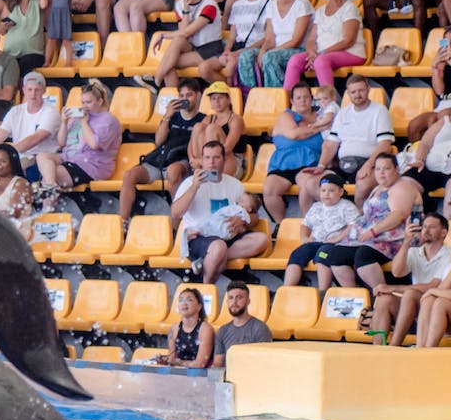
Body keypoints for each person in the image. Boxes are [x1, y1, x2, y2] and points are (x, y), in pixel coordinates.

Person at [321, 152, 422, 290]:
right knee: (337, 256)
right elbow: (363, 217)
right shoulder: (378, 188)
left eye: (386, 169)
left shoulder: (402, 187)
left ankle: (381, 295)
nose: (381, 173)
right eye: (378, 169)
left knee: (364, 255)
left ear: (397, 169)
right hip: (370, 238)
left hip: (397, 239)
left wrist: (373, 232)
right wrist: (341, 236)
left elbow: (398, 215)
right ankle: (355, 298)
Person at [173, 140, 268, 280]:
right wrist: (194, 187)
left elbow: (254, 216)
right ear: (202, 160)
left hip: (228, 234)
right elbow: (176, 213)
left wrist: (243, 220)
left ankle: (211, 259)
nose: (211, 162)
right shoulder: (189, 183)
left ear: (224, 160)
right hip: (200, 237)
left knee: (262, 239)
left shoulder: (234, 184)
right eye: (207, 158)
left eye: (216, 157)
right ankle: (207, 287)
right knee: (218, 247)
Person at [297, 74, 392, 211]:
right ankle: (342, 213)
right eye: (353, 92)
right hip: (343, 165)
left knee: (363, 186)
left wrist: (368, 165)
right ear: (348, 93)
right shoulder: (343, 113)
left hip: (369, 164)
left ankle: (359, 221)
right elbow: (330, 144)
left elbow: (385, 145)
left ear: (368, 89)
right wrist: (321, 165)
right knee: (312, 183)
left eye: (361, 90)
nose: (357, 95)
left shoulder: (380, 111)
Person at [121, 78, 202, 221]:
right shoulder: (172, 117)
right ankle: (123, 221)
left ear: (198, 96)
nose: (185, 99)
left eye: (189, 95)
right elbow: (159, 141)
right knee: (129, 175)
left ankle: (177, 223)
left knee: (173, 172)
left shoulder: (203, 119)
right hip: (161, 159)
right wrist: (167, 116)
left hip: (183, 160)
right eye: (181, 96)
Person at [369, 212, 449, 343]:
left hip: (435, 309)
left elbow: (432, 286)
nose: (426, 230)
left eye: (432, 227)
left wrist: (392, 288)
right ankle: (378, 348)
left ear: (443, 233)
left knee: (410, 294)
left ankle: (394, 346)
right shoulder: (414, 251)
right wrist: (406, 242)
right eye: (424, 227)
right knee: (384, 299)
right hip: (413, 308)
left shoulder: (449, 255)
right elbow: (397, 272)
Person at [263, 83, 333, 225]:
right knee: (269, 189)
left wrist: (314, 126)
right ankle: (280, 225)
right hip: (283, 163)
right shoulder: (286, 115)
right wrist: (319, 128)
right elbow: (294, 134)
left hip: (309, 163)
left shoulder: (322, 114)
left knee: (307, 185)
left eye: (306, 97)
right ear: (292, 101)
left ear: (311, 99)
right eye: (298, 98)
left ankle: (307, 225)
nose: (302, 100)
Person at [144, 0, 224, 91]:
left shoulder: (209, 5)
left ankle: (157, 80)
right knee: (173, 53)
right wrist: (186, 10)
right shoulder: (180, 5)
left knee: (169, 63)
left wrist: (163, 36)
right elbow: (183, 33)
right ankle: (174, 99)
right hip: (193, 46)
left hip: (210, 48)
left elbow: (187, 32)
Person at [285, 170, 361, 288]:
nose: (326, 194)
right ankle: (287, 289)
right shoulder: (316, 206)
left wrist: (337, 238)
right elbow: (305, 225)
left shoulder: (347, 206)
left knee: (323, 256)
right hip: (315, 241)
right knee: (297, 254)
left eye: (331, 190)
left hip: (335, 244)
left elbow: (353, 226)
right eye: (323, 190)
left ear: (340, 192)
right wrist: (304, 238)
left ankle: (323, 291)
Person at [56, 80, 120, 192]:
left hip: (93, 164)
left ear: (100, 101)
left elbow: (94, 144)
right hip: (72, 158)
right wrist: (63, 122)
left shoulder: (108, 120)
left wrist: (84, 123)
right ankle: (50, 190)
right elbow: (61, 143)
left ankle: (49, 197)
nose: (85, 106)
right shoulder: (78, 117)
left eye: (88, 102)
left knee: (51, 174)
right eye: (83, 102)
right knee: (43, 159)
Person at [212, 283, 272, 363]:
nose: (234, 302)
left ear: (248, 301)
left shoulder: (260, 329)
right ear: (227, 301)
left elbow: (263, 362)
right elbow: (217, 364)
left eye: (239, 298)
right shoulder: (222, 331)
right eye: (231, 298)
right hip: (228, 374)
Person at [155, 287, 216, 367]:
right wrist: (164, 360)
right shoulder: (173, 329)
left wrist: (179, 362)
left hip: (201, 375)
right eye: (180, 300)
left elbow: (200, 364)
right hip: (182, 374)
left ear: (199, 307)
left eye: (189, 300)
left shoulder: (206, 329)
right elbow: (171, 360)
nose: (184, 303)